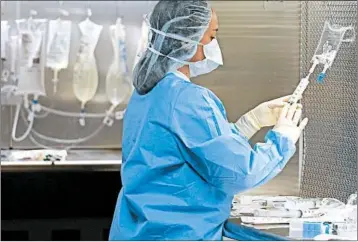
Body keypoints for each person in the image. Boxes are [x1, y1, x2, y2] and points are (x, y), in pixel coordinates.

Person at [109, 0, 308, 240]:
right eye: (212, 36)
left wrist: (249, 123)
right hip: (176, 234)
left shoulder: (147, 92)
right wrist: (282, 139)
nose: (214, 45)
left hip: (139, 230)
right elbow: (241, 172)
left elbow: (195, 149)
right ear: (187, 40)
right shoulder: (187, 99)